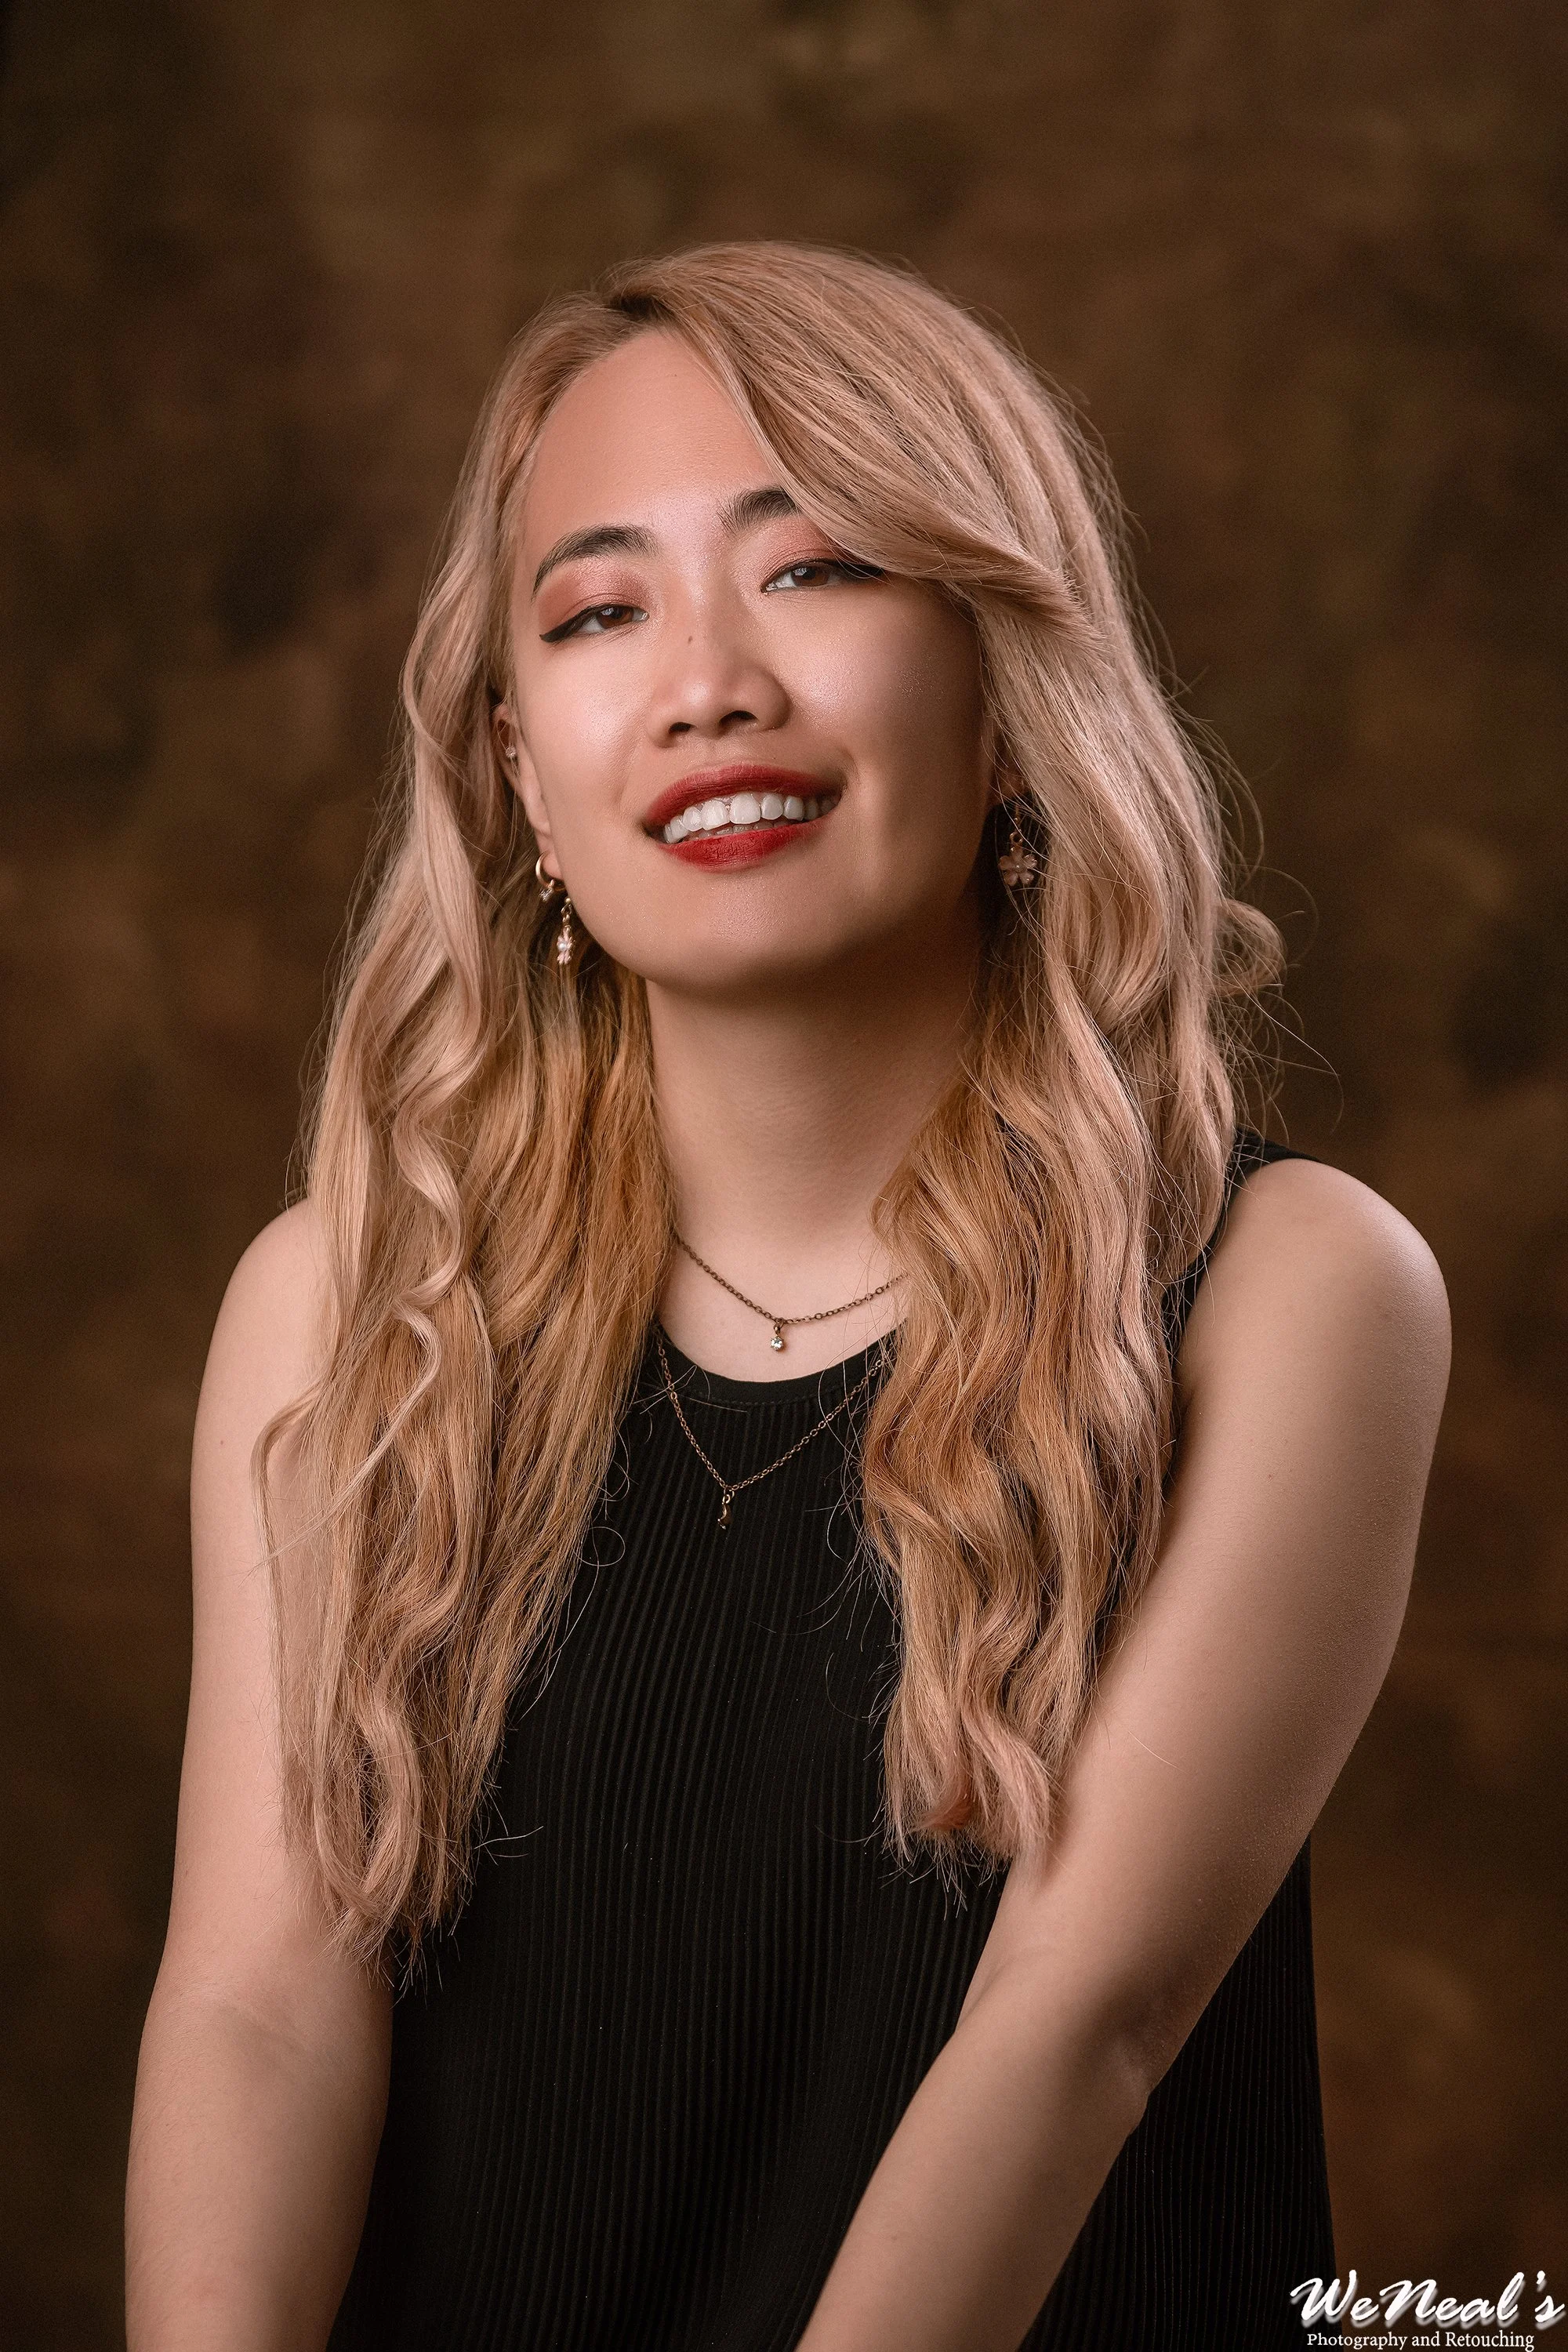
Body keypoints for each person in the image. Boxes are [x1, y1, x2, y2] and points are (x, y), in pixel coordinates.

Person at [123, 241, 1450, 2352]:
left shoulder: (1287, 1293)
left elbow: (1071, 2021)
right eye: (598, 609)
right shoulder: (339, 1308)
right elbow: (257, 2005)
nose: (708, 682)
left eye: (816, 572)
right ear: (517, 772)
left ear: (1014, 695)